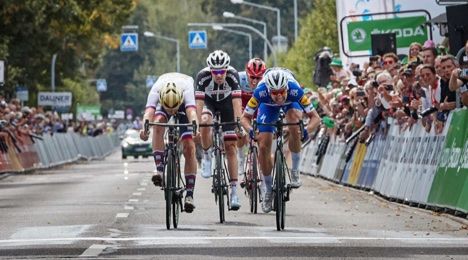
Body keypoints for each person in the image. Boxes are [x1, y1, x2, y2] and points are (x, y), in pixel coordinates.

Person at [240, 68, 321, 213]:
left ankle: (295, 170)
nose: (278, 96)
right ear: (269, 90)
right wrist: (251, 131)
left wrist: (306, 130)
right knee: (264, 145)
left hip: (291, 104)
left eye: (281, 92)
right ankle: (269, 189)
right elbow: (244, 118)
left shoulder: (294, 90)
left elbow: (315, 118)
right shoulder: (261, 92)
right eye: (275, 93)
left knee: (294, 122)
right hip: (268, 107)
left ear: (286, 88)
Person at [139, 72, 199, 213]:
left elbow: (192, 113)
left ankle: (189, 195)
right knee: (158, 123)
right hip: (165, 99)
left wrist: (195, 128)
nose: (172, 112)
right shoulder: (156, 89)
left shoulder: (187, 89)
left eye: (173, 109)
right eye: (169, 109)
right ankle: (159, 170)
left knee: (189, 147)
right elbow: (148, 114)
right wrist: (144, 130)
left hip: (183, 106)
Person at [195, 50, 243, 210]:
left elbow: (237, 102)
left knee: (230, 145)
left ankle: (234, 191)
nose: (219, 75)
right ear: (210, 70)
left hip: (227, 104)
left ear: (226, 69)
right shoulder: (202, 77)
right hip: (209, 103)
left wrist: (238, 123)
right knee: (204, 120)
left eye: (222, 71)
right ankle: (207, 156)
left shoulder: (233, 76)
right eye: (215, 71)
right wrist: (195, 124)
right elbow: (199, 105)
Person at [237, 58, 267, 178]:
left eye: (258, 78)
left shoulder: (267, 81)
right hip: (243, 109)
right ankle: (240, 157)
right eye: (252, 77)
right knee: (239, 132)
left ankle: (260, 166)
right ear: (246, 73)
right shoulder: (239, 78)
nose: (254, 81)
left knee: (261, 138)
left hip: (259, 109)